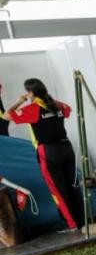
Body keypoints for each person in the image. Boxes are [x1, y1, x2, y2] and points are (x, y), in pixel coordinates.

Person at [2, 78, 84, 230]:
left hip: (48, 152)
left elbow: (6, 116)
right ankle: (82, 220)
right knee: (73, 185)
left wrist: (20, 101)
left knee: (58, 190)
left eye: (27, 92)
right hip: (66, 147)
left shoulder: (33, 109)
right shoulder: (56, 105)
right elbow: (69, 110)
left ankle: (72, 224)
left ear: (31, 93)